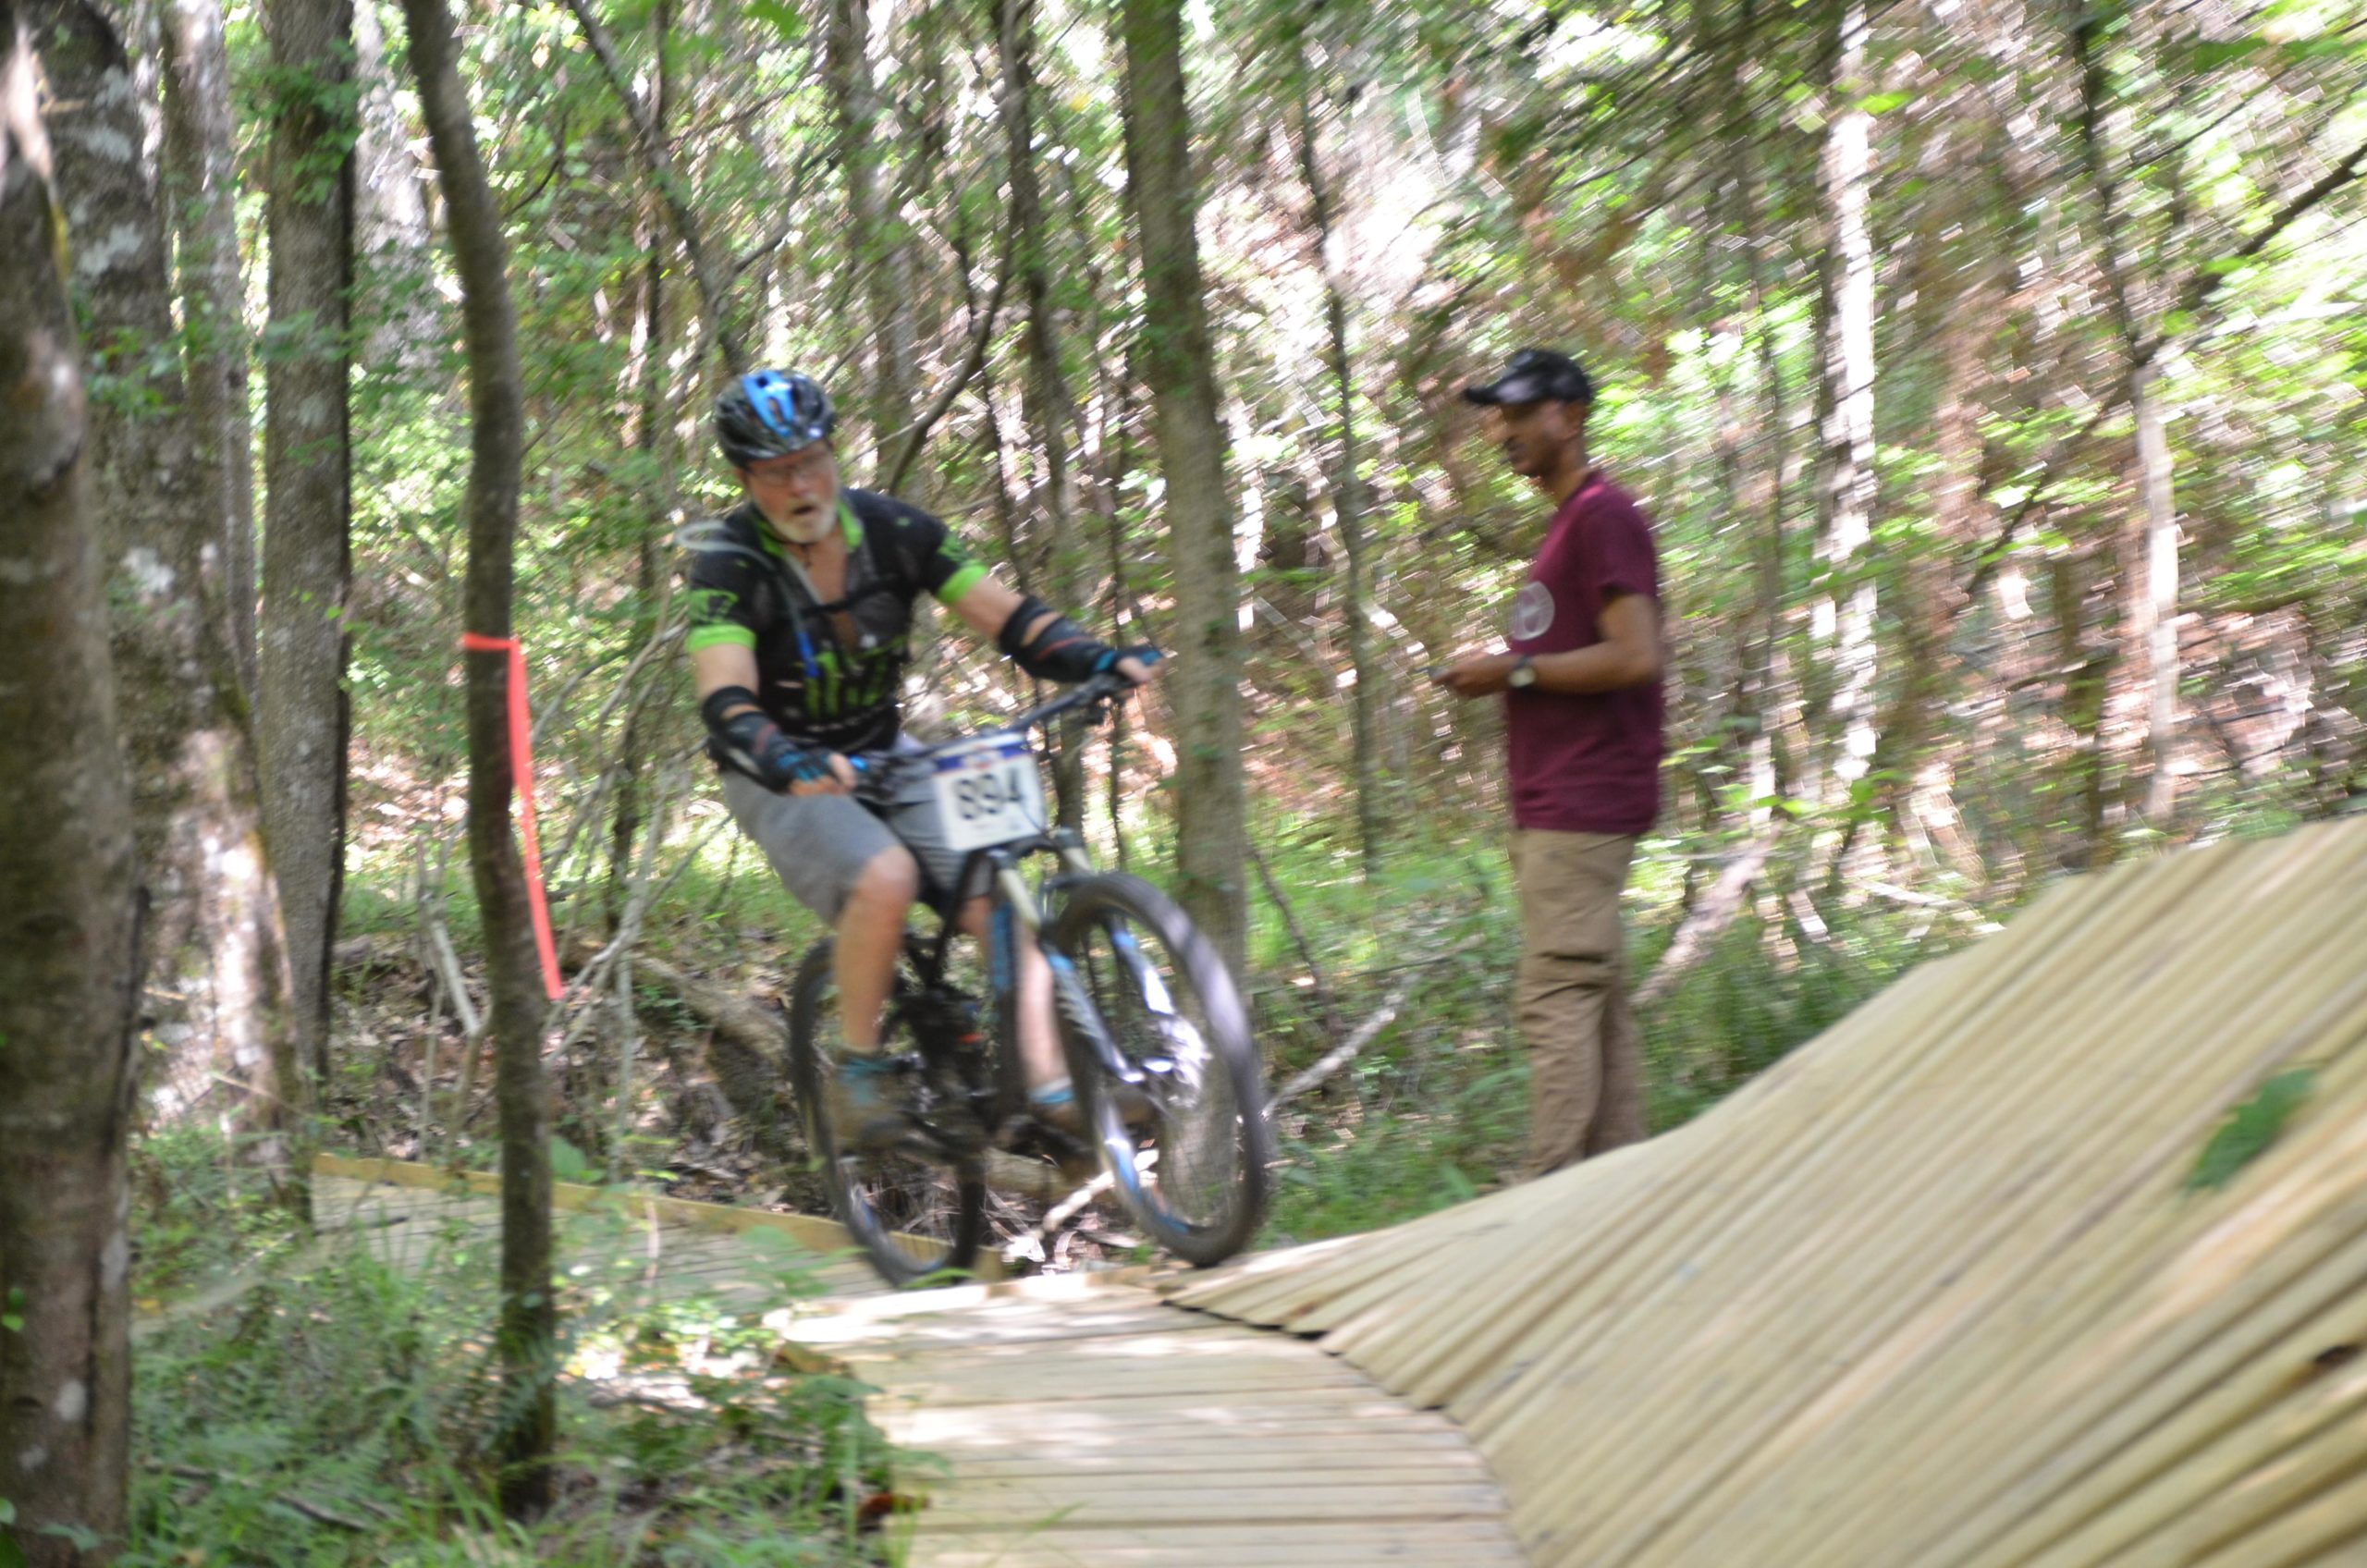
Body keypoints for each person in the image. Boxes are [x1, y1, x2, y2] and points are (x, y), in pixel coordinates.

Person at [682, 369, 1157, 1148]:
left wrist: (1096, 659)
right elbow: (726, 696)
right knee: (887, 875)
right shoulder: (729, 564)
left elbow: (1009, 619)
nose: (802, 484)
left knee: (1001, 894)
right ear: (746, 479)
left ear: (833, 451)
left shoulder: (897, 530)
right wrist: (782, 755)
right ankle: (860, 1070)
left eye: (811, 460)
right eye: (776, 473)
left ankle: (1048, 1089)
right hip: (776, 770)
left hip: (882, 751)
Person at [1438, 348, 1665, 1177]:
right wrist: (1508, 665)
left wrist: (1514, 670)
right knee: (1594, 999)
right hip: (1563, 802)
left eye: (1520, 412)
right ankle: (1621, 1180)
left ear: (1568, 418)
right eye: (1496, 414)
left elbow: (1636, 656)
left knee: (1557, 994)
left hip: (1584, 799)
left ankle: (1550, 1192)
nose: (1502, 429)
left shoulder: (1604, 516)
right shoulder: (1573, 522)